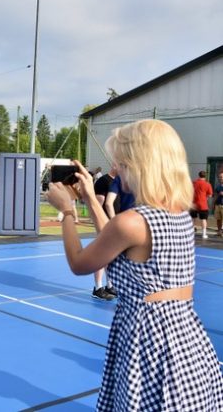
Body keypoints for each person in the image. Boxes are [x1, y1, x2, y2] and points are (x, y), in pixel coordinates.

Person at [46, 119, 223, 410]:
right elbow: (114, 241)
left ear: (139, 165)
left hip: (148, 337)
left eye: (122, 163)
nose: (117, 170)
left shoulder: (132, 221)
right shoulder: (177, 214)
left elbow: (80, 263)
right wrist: (91, 199)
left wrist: (67, 211)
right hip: (185, 336)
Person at [90, 167, 118, 301]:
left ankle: (109, 285)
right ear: (114, 165)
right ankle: (97, 288)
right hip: (105, 224)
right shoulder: (103, 181)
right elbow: (97, 205)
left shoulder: (119, 181)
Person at [190, 170, 213, 239]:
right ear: (205, 176)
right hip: (203, 204)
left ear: (199, 175)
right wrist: (205, 198)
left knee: (193, 218)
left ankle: (191, 233)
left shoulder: (193, 183)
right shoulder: (207, 184)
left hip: (194, 204)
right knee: (203, 219)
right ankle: (204, 234)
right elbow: (210, 195)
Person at [214, 172, 223, 237]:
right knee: (218, 219)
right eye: (219, 177)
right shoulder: (218, 186)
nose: (220, 178)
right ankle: (219, 231)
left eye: (222, 177)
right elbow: (216, 195)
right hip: (218, 205)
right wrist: (214, 203)